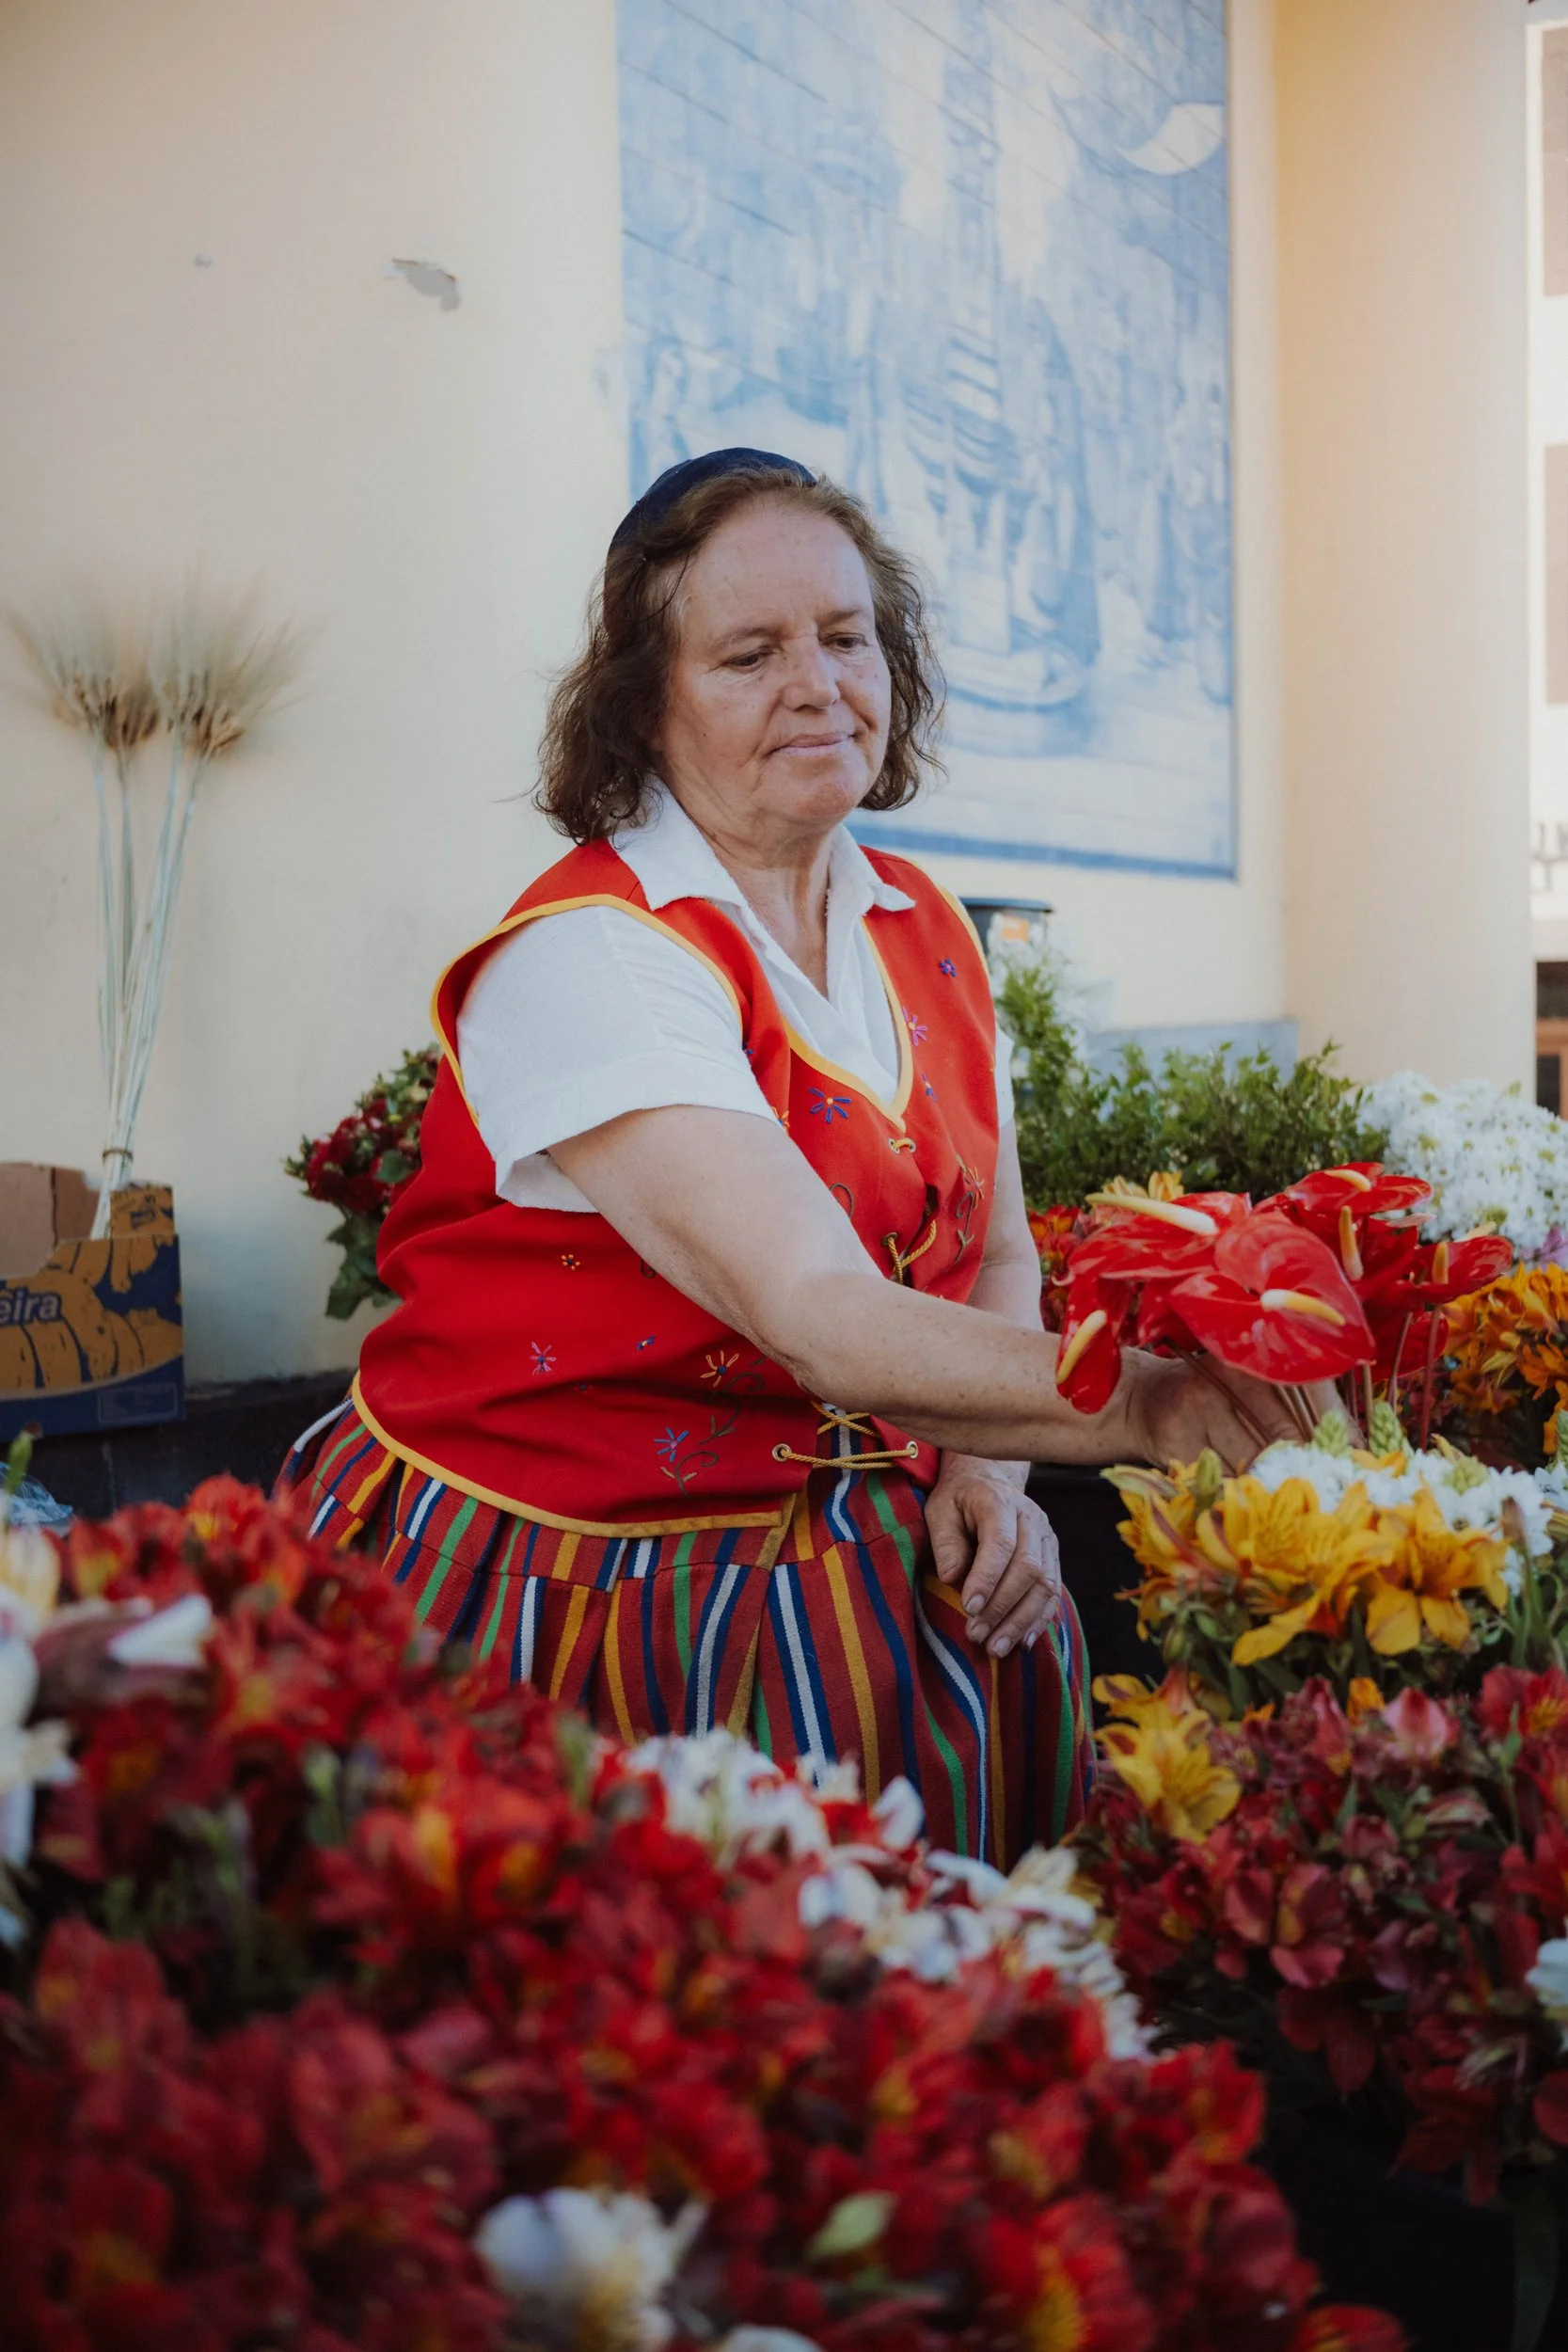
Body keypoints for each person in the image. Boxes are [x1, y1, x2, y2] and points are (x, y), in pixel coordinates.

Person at [280, 448, 1299, 1866]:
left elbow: (993, 1250)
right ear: (645, 705)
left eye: (843, 636)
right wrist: (1149, 1408)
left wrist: (990, 1480)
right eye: (747, 654)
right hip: (587, 1585)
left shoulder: (921, 923)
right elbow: (818, 1313)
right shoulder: (593, 958)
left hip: (874, 1551)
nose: (816, 684)